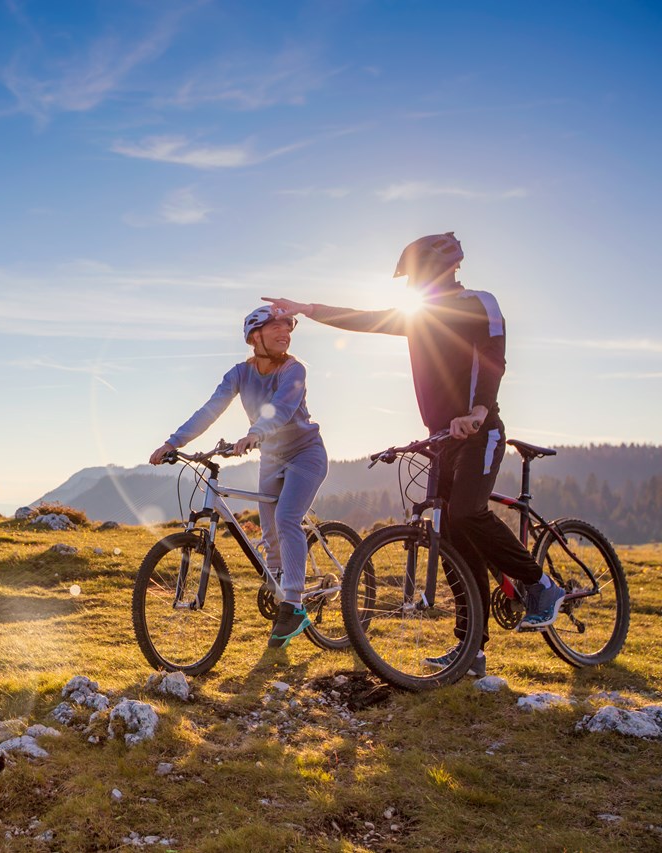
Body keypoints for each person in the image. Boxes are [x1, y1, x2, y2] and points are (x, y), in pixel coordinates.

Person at [263, 232, 565, 676]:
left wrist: (479, 410)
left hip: (481, 432)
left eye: (415, 276)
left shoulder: (480, 303)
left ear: (443, 270)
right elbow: (363, 318)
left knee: (466, 514)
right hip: (442, 438)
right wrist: (307, 309)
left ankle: (540, 586)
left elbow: (494, 356)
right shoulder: (418, 316)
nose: (410, 287)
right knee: (452, 543)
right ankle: (472, 651)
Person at [149, 306, 328, 649]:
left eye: (288, 327)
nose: (285, 333)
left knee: (287, 518)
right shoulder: (238, 374)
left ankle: (294, 603)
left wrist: (254, 433)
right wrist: (174, 442)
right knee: (270, 533)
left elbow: (282, 407)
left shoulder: (294, 370)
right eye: (276, 327)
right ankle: (282, 604)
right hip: (271, 459)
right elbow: (210, 409)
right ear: (254, 337)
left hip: (306, 455)